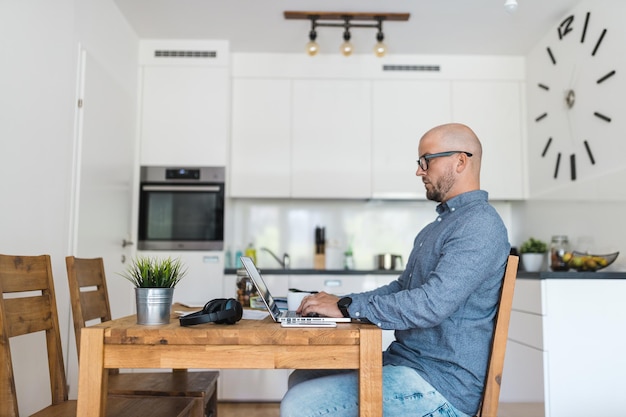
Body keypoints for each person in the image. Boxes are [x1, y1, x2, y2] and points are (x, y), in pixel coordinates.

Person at [280, 123, 511, 417]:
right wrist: (342, 302)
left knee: (299, 404)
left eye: (426, 160)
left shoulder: (479, 225)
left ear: (461, 161)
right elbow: (403, 290)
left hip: (441, 384)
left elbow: (431, 304)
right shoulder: (439, 227)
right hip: (408, 363)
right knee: (303, 376)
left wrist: (348, 307)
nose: (419, 171)